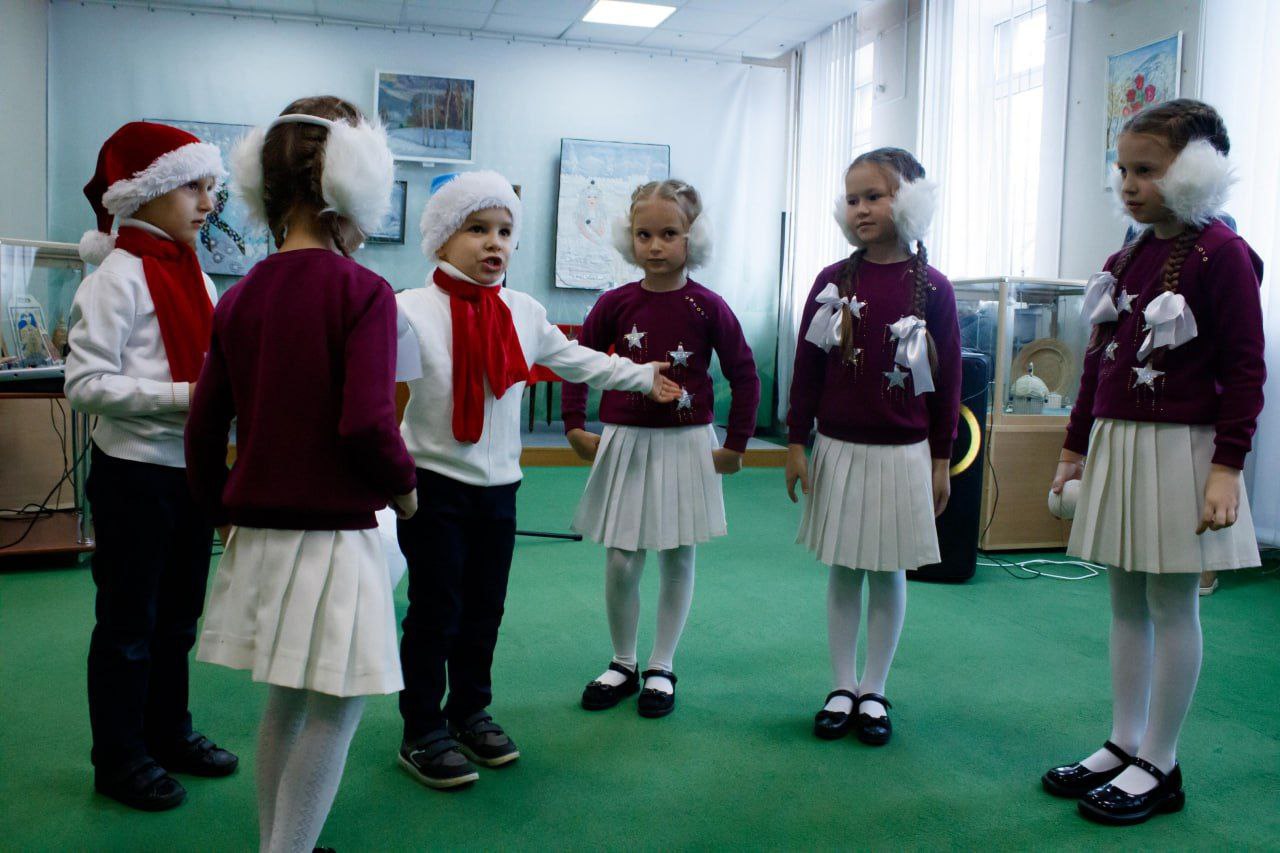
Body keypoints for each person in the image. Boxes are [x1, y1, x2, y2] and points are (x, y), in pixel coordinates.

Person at [394, 170, 682, 789]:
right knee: (435, 610)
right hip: (432, 486)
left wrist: (641, 375)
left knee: (484, 609)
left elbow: (578, 360)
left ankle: (469, 711)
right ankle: (420, 728)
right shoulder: (408, 310)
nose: (493, 242)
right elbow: (380, 399)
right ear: (442, 238)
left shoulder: (522, 312)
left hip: (500, 490)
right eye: (477, 229)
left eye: (504, 231)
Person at [187, 96, 417, 851]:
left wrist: (219, 510)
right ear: (357, 185)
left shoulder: (240, 296)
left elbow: (203, 426)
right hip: (336, 537)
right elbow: (367, 423)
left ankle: (276, 844)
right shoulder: (363, 291)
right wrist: (406, 488)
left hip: (258, 532)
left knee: (285, 700)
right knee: (336, 708)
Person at [1043, 99, 1265, 826]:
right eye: (1124, 169)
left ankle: (1161, 762)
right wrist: (1074, 448)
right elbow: (1098, 364)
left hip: (1183, 449)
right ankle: (1125, 740)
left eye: (1148, 170)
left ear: (1197, 170)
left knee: (1172, 605)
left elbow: (1246, 368)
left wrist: (1227, 467)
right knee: (1124, 602)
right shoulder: (1125, 258)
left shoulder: (1224, 254)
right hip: (1120, 442)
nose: (1130, 184)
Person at [66, 120, 237, 811]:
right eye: (193, 187)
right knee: (128, 625)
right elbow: (84, 385)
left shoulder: (197, 275)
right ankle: (119, 757)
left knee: (177, 620)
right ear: (146, 191)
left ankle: (168, 732)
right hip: (134, 475)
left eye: (211, 188)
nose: (207, 203)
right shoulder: (116, 278)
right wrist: (187, 398)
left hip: (189, 472)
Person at [785, 147, 960, 747]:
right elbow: (807, 368)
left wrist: (941, 459)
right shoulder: (831, 281)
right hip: (839, 448)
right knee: (844, 568)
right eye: (853, 198)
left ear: (908, 201)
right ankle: (841, 685)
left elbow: (949, 382)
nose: (861, 208)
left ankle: (874, 688)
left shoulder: (934, 288)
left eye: (875, 197)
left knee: (887, 572)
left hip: (905, 453)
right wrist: (796, 441)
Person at [565, 179, 760, 718]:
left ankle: (661, 664)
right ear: (629, 237)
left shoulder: (708, 306)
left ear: (693, 237)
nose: (655, 246)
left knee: (677, 554)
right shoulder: (615, 302)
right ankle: (623, 661)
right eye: (644, 234)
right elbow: (579, 361)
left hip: (686, 445)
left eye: (669, 234)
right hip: (625, 442)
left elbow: (744, 374)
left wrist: (737, 443)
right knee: (621, 558)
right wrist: (574, 425)